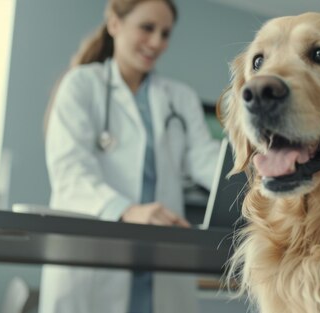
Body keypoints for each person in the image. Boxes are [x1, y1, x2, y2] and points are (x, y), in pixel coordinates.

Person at [40, 0, 220, 312]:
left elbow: (206, 160)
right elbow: (70, 172)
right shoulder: (82, 85)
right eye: (147, 28)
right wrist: (126, 210)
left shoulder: (180, 98)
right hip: (94, 261)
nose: (157, 42)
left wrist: (260, 172)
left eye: (165, 33)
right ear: (114, 24)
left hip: (160, 264)